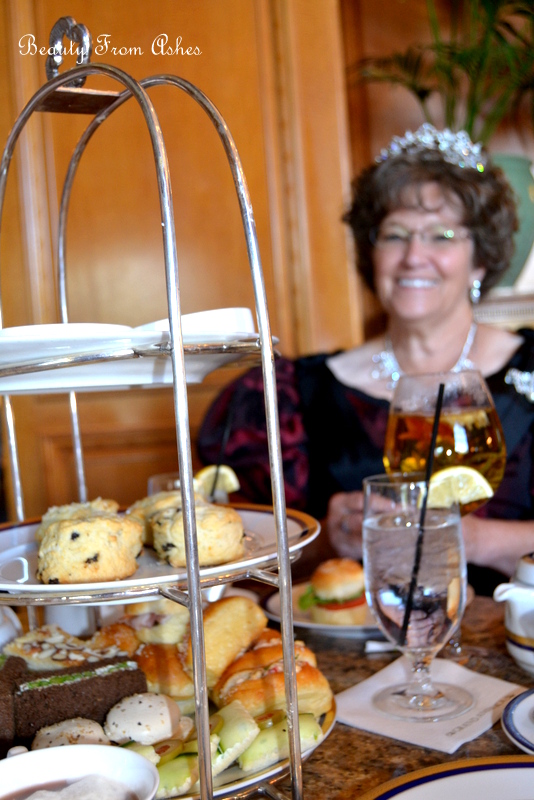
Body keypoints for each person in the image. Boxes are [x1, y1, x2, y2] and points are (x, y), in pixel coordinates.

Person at [198, 123, 534, 595]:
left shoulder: (530, 373)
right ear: (370, 254)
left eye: (441, 235)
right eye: (395, 235)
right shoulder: (290, 393)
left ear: (480, 258)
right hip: (343, 650)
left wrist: (472, 540)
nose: (414, 256)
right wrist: (322, 541)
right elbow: (232, 560)